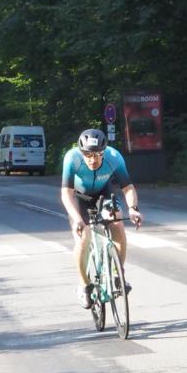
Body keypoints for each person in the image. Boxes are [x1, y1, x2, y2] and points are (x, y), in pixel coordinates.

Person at [61, 129, 143, 309]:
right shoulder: (72, 158)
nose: (92, 159)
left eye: (97, 154)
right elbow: (66, 193)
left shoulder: (114, 157)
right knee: (83, 239)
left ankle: (117, 274)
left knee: (118, 223)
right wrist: (77, 219)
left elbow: (128, 187)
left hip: (103, 195)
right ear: (81, 153)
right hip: (80, 198)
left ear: (104, 151)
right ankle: (84, 286)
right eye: (88, 155)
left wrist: (133, 209)